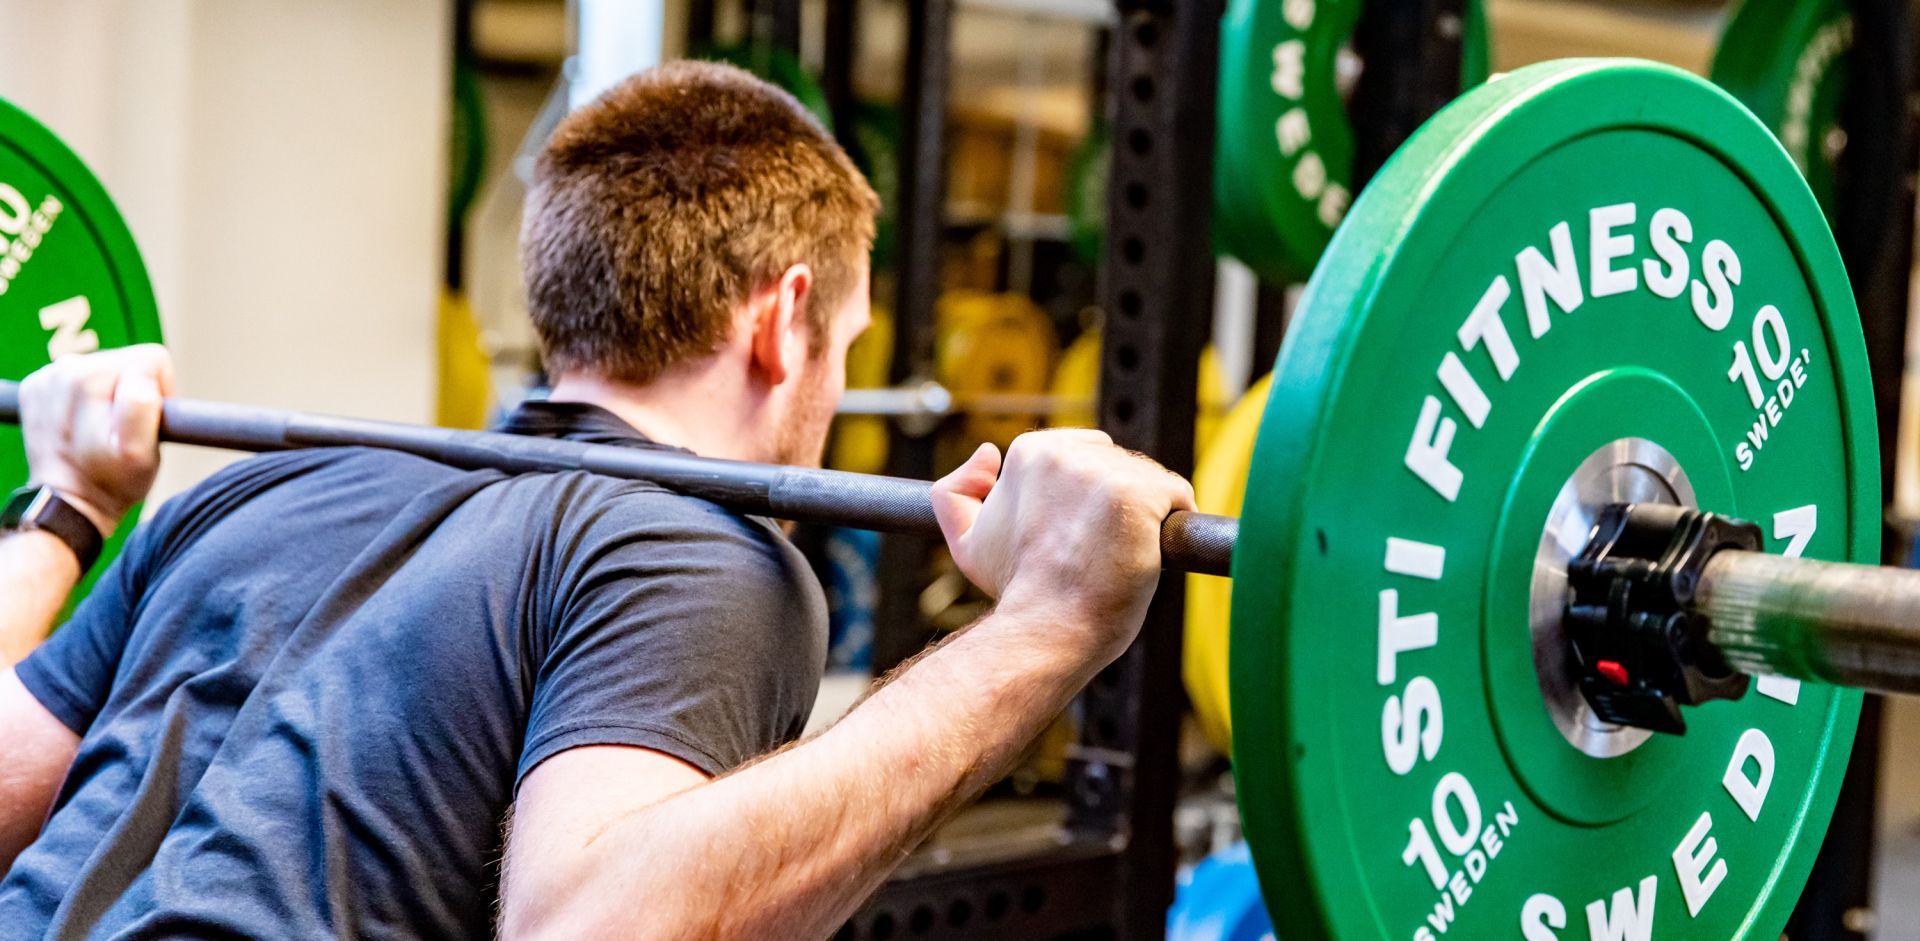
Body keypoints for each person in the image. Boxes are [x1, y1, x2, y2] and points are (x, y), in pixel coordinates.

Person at [0, 61, 1194, 940]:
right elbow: (594, 925)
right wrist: (1043, 630)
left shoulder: (252, 492)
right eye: (847, 344)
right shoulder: (695, 552)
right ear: (784, 319)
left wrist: (68, 504)